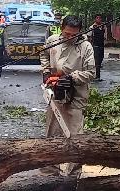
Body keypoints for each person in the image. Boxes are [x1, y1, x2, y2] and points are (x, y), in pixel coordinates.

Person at [39, 15, 95, 176]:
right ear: (62, 29)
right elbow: (43, 55)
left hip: (76, 94)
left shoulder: (86, 47)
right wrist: (46, 72)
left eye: (73, 35)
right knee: (53, 131)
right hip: (55, 92)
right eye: (67, 34)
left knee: (75, 134)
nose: (69, 37)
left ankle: (75, 171)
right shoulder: (53, 40)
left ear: (80, 32)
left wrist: (71, 78)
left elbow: (91, 73)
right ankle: (49, 169)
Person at [90, 14, 107, 82]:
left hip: (101, 46)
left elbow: (104, 36)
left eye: (100, 18)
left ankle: (97, 75)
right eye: (97, 18)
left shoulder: (103, 27)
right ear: (95, 19)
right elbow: (89, 37)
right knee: (96, 62)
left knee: (100, 60)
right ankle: (96, 76)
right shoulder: (92, 27)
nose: (99, 19)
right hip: (95, 46)